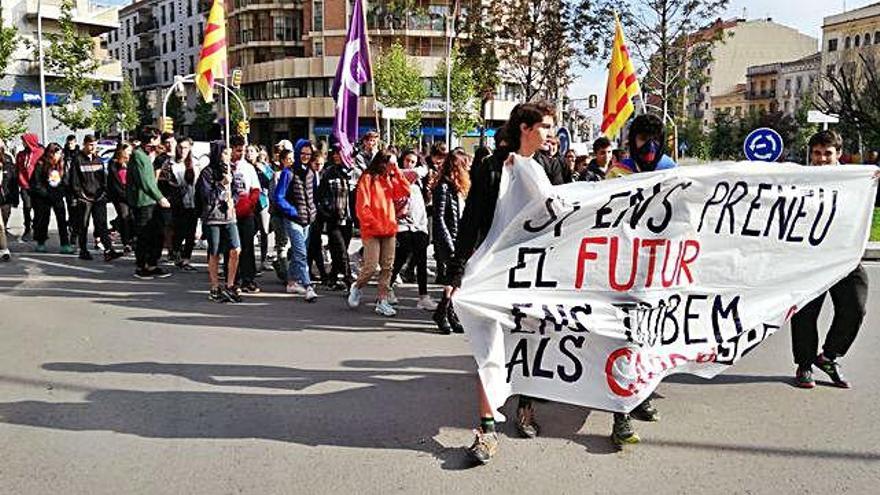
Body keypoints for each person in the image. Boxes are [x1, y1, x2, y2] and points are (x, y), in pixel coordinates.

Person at [444, 101, 557, 463]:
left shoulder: (550, 167)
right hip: (494, 272)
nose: (550, 133)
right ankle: (487, 429)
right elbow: (471, 222)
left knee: (530, 342)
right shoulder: (492, 169)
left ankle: (525, 406)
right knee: (490, 344)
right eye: (545, 126)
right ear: (525, 128)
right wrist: (456, 272)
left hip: (536, 273)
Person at [791, 130, 870, 389]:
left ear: (839, 154)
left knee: (855, 307)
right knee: (805, 313)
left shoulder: (856, 181)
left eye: (827, 153)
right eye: (817, 153)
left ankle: (828, 356)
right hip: (809, 257)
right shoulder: (800, 180)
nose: (822, 159)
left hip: (844, 256)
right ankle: (804, 365)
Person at [347, 150, 410, 317]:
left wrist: (397, 171)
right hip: (372, 230)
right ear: (381, 163)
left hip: (389, 229)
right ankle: (357, 286)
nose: (391, 167)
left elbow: (405, 191)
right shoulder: (367, 178)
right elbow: (362, 207)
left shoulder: (390, 178)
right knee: (371, 266)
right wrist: (375, 224)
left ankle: (382, 301)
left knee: (387, 267)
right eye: (389, 164)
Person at [389, 149, 437, 312]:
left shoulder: (419, 181)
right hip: (402, 224)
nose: (409, 164)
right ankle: (387, 288)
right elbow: (416, 172)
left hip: (419, 225)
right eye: (407, 160)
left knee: (421, 260)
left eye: (413, 162)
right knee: (401, 257)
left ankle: (423, 296)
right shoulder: (397, 176)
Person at [431, 148, 472, 333]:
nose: (468, 168)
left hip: (460, 238)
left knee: (458, 278)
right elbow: (439, 218)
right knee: (454, 277)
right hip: (450, 239)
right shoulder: (444, 187)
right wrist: (448, 242)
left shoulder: (458, 187)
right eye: (466, 165)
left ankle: (446, 311)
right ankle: (444, 311)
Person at [273, 140, 319, 302]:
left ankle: (292, 282)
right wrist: (292, 211)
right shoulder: (288, 172)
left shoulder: (311, 173)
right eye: (303, 153)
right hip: (293, 219)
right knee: (301, 253)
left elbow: (314, 195)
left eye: (308, 154)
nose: (305, 156)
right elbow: (278, 197)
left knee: (298, 252)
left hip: (308, 219)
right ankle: (308, 286)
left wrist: (314, 211)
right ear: (297, 153)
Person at [197, 141, 242, 303]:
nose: (228, 156)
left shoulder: (230, 170)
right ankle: (215, 286)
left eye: (229, 153)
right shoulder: (207, 173)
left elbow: (236, 191)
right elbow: (206, 197)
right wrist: (221, 185)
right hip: (213, 217)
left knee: (236, 249)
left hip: (229, 216)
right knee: (215, 252)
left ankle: (230, 284)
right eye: (225, 153)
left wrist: (233, 200)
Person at [128, 127, 172, 279]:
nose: (160, 141)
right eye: (158, 138)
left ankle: (152, 264)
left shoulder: (146, 155)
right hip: (143, 202)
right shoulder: (138, 156)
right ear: (151, 139)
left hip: (151, 201)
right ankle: (142, 267)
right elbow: (146, 182)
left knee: (156, 233)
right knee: (144, 235)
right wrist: (160, 197)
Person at [69, 135, 121, 262]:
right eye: (91, 145)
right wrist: (80, 195)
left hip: (99, 197)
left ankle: (108, 250)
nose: (93, 147)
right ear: (85, 144)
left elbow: (103, 178)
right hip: (85, 199)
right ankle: (83, 250)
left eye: (95, 145)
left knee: (102, 224)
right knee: (83, 225)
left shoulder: (98, 159)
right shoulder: (78, 159)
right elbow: (74, 181)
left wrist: (103, 193)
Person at [317, 144, 353, 292]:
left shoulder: (353, 172)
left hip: (348, 219)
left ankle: (332, 277)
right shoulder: (328, 172)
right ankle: (350, 281)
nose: (337, 156)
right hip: (333, 219)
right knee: (341, 250)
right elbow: (321, 195)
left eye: (340, 153)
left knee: (340, 250)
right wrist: (328, 210)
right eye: (335, 153)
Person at [29, 143, 73, 254]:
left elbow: (65, 181)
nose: (59, 155)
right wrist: (46, 193)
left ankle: (65, 244)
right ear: (50, 153)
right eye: (56, 153)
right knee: (44, 220)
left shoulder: (62, 164)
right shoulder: (41, 164)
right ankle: (41, 242)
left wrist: (61, 192)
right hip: (43, 197)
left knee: (62, 220)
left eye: (60, 153)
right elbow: (36, 183)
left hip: (57, 196)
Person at [233, 141, 262, 293]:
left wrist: (250, 203)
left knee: (247, 246)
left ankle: (248, 279)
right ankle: (233, 279)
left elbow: (256, 189)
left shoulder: (248, 167)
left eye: (243, 150)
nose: (241, 154)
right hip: (230, 213)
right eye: (238, 150)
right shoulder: (226, 166)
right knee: (233, 248)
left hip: (246, 213)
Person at [606, 115, 676, 178]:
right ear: (633, 141)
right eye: (643, 138)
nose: (651, 146)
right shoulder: (617, 173)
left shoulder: (671, 169)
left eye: (656, 139)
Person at [171, 137, 199, 271]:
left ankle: (186, 258)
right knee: (179, 231)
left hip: (193, 203)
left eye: (186, 148)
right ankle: (176, 254)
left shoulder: (195, 163)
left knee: (190, 232)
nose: (183, 150)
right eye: (180, 147)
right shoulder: (172, 164)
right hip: (178, 203)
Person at [107, 143, 134, 253]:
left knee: (131, 216)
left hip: (131, 194)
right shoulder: (114, 163)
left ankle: (117, 227)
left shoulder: (131, 162)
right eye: (128, 150)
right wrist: (125, 195)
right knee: (124, 216)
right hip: (119, 196)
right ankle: (126, 242)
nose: (130, 152)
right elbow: (115, 182)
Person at [15, 133, 42, 241]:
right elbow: (18, 169)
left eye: (25, 141)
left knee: (38, 208)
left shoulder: (40, 153)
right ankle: (27, 228)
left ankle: (37, 227)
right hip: (25, 185)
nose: (23, 143)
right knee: (27, 207)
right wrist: (19, 180)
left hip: (37, 186)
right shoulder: (21, 155)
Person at [307, 150, 328, 283]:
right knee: (313, 244)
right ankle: (318, 272)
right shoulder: (309, 174)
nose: (319, 166)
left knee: (315, 244)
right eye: (316, 164)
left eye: (321, 164)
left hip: (319, 214)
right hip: (311, 213)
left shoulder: (322, 175)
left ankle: (313, 271)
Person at [254, 146, 275, 272]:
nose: (261, 156)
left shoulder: (267, 167)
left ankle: (264, 259)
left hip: (263, 201)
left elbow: (272, 179)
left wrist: (263, 168)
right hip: (250, 201)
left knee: (264, 230)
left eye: (263, 154)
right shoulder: (250, 166)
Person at [0, 140, 18, 260]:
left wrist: (15, 198)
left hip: (5, 197)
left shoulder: (8, 161)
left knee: (3, 222)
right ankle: (4, 249)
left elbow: (13, 180)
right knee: (0, 225)